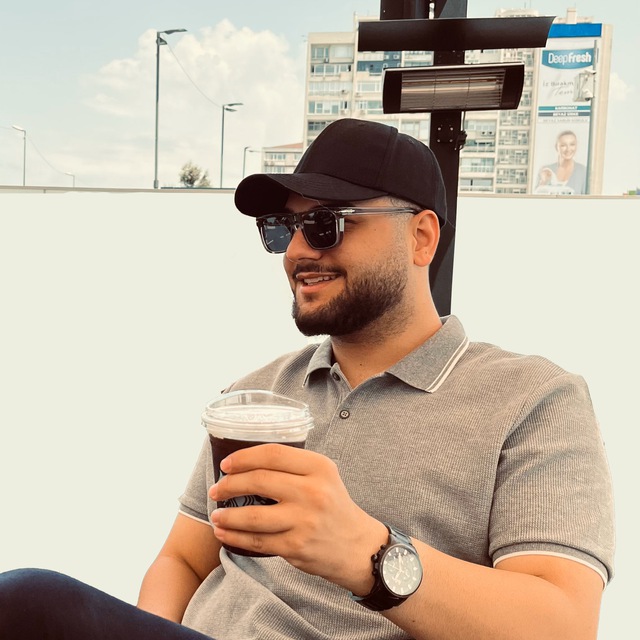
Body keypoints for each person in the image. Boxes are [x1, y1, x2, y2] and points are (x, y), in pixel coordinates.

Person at [0, 118, 614, 640]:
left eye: (326, 223)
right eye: (282, 227)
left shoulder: (533, 398)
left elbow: (562, 623)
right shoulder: (257, 393)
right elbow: (182, 559)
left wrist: (367, 554)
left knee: (29, 603)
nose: (296, 251)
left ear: (422, 236)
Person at [535, 129, 588, 195]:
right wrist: (543, 182)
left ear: (576, 146)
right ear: (556, 147)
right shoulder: (546, 170)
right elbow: (536, 197)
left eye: (572, 144)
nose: (568, 149)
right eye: (563, 145)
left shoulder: (583, 172)